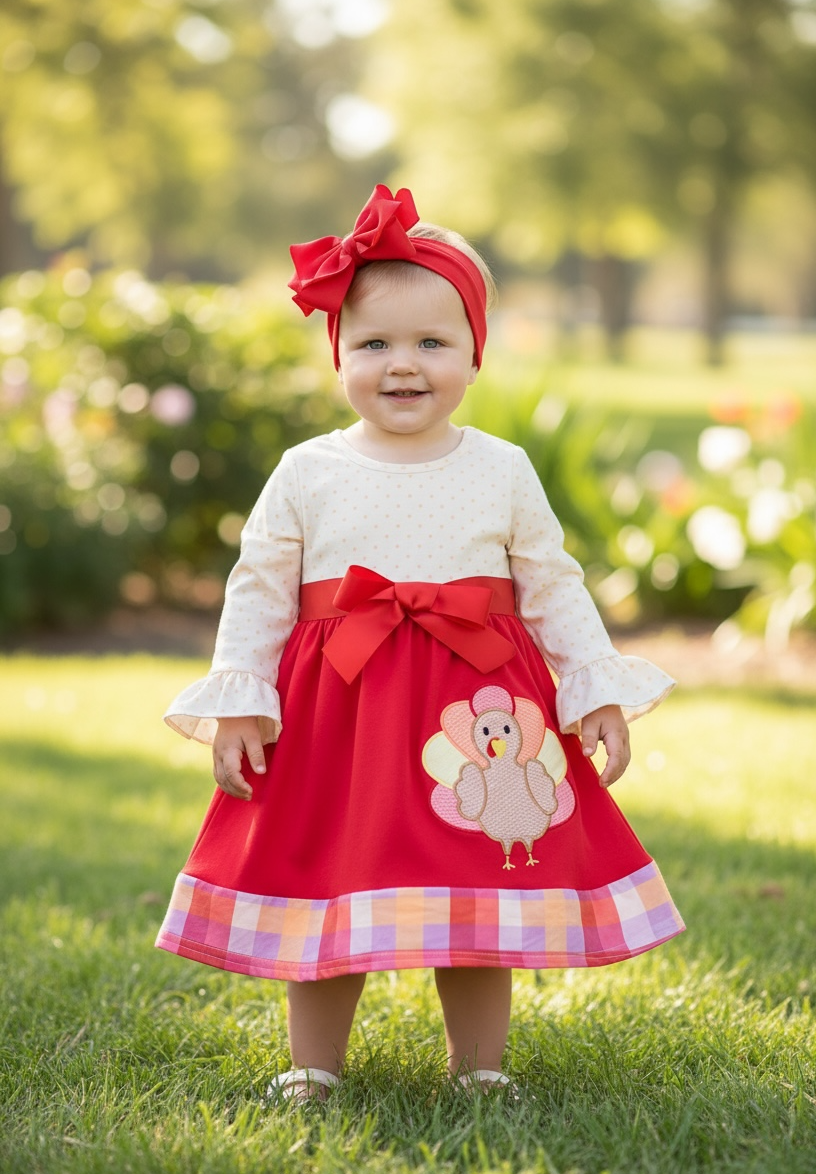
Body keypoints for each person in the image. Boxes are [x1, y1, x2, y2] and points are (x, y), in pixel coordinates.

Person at [156, 184, 683, 1105]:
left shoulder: (501, 469)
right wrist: (242, 698)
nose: (403, 366)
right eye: (374, 345)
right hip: (338, 716)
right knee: (329, 878)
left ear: (475, 355)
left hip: (477, 706)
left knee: (478, 882)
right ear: (339, 356)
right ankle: (313, 1067)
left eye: (433, 343)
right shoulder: (308, 472)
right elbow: (260, 589)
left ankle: (479, 1069)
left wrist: (593, 687)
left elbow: (553, 582)